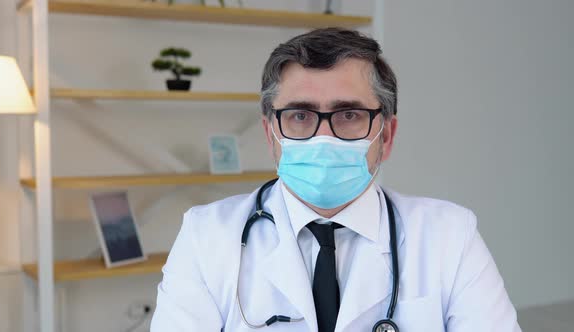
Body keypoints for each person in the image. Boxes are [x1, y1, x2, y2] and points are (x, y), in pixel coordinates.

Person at [150, 28, 521, 332]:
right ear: (270, 135)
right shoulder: (206, 236)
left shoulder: (450, 236)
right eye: (299, 116)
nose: (322, 137)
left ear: (386, 136)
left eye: (348, 114)